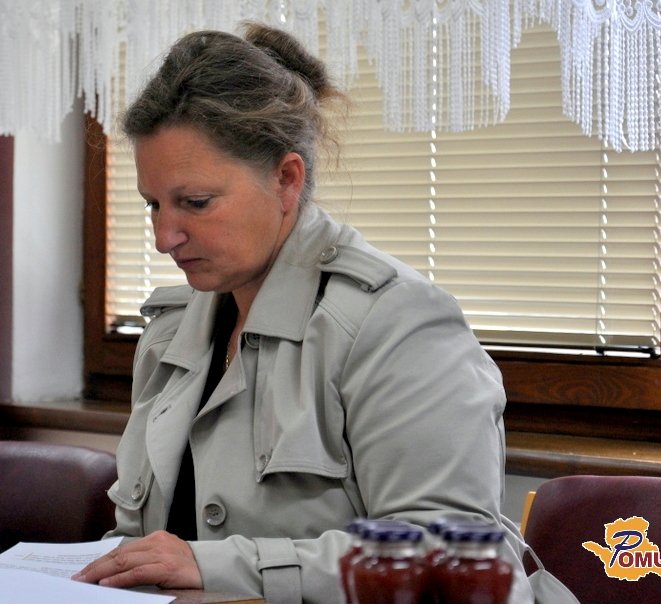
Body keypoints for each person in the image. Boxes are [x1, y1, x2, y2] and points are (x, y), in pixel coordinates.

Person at [72, 22, 570, 604]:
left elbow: (453, 558)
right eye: (153, 204)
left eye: (196, 203)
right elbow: (145, 544)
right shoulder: (169, 332)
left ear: (286, 179)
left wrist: (223, 565)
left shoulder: (396, 323)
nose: (164, 237)